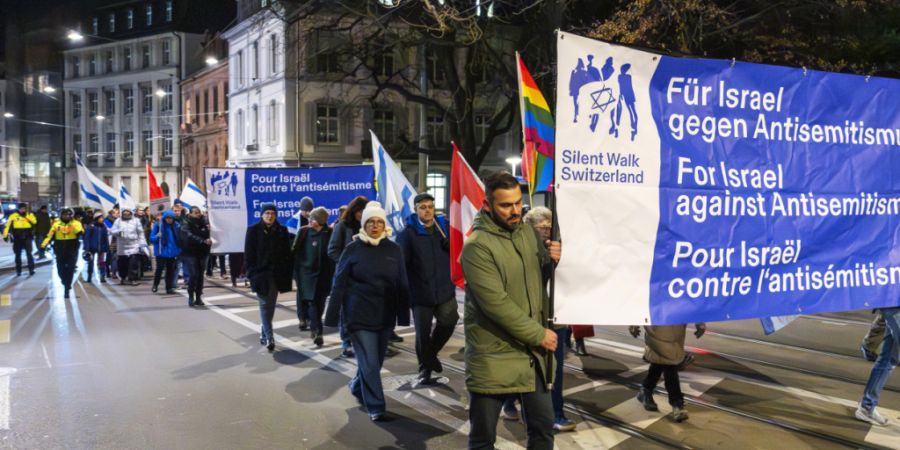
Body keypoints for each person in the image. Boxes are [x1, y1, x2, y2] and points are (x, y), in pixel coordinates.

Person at [460, 171, 561, 450]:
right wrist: (538, 334)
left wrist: (551, 260)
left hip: (531, 356)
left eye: (517, 203)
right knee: (483, 440)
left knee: (542, 431)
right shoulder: (477, 246)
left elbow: (536, 281)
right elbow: (496, 304)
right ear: (488, 205)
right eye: (506, 205)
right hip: (495, 355)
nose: (515, 211)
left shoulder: (527, 234)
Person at [324, 201, 410, 421]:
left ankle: (356, 385)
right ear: (363, 224)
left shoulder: (394, 249)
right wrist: (332, 316)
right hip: (358, 315)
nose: (374, 225)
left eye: (379, 222)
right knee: (370, 363)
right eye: (370, 221)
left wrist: (402, 316)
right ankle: (376, 406)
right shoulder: (352, 249)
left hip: (384, 316)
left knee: (375, 362)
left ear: (384, 225)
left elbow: (402, 283)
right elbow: (340, 283)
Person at [521, 206, 576, 432]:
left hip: (557, 318)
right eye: (542, 227)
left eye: (549, 227)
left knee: (555, 370)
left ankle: (557, 413)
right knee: (527, 370)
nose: (547, 231)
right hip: (533, 320)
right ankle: (513, 404)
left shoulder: (560, 247)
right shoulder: (525, 250)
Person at [397, 192, 457, 385]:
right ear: (415, 210)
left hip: (444, 289)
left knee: (449, 321)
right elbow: (401, 264)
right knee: (422, 334)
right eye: (422, 207)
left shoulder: (444, 228)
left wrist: (453, 247)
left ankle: (430, 355)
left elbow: (462, 251)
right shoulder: (408, 234)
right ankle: (425, 369)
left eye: (430, 206)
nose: (427, 210)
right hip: (421, 292)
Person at [630, 323, 706, 423]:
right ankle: (676, 404)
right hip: (658, 325)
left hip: (673, 327)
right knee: (669, 366)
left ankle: (646, 390)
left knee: (659, 364)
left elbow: (690, 307)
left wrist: (699, 322)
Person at [245, 203, 294, 351]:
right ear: (261, 214)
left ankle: (264, 331)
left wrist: (287, 273)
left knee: (270, 305)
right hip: (260, 275)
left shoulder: (282, 230)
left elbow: (287, 254)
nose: (270, 216)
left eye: (272, 213)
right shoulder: (253, 231)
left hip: (277, 276)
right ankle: (270, 336)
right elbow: (248, 255)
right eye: (267, 213)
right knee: (265, 305)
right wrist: (251, 274)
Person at [327, 195, 370, 358]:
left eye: (364, 211)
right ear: (354, 211)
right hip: (346, 275)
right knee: (346, 310)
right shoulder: (343, 226)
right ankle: (346, 342)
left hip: (365, 275)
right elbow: (332, 250)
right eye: (360, 211)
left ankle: (362, 339)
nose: (362, 214)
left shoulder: (369, 226)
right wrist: (347, 263)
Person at [291, 207, 334, 347]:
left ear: (321, 221)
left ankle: (315, 326)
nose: (310, 220)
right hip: (306, 275)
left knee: (320, 303)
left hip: (324, 275)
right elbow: (294, 251)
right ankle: (318, 331)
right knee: (312, 302)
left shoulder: (330, 233)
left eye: (313, 219)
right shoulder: (303, 231)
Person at [856, 307, 900, 426]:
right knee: (889, 359)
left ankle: (867, 406)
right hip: (894, 305)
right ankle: (867, 406)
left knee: (888, 359)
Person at [40, 208, 84, 299]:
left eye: (68, 215)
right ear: (61, 215)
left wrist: (73, 224)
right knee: (60, 269)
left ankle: (67, 287)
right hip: (59, 248)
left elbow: (81, 232)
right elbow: (49, 235)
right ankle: (64, 281)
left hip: (72, 248)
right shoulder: (56, 224)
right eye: (64, 215)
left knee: (71, 269)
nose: (66, 216)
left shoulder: (76, 223)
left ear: (71, 215)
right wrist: (43, 245)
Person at [180, 206, 213, 307]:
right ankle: (191, 296)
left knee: (200, 276)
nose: (198, 214)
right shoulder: (185, 223)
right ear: (190, 214)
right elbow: (188, 236)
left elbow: (211, 233)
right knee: (194, 274)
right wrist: (202, 241)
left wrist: (210, 229)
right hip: (190, 253)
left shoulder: (205, 222)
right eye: (195, 213)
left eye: (199, 212)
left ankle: (198, 297)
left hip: (203, 252)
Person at [294, 196, 316, 329]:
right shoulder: (293, 222)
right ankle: (302, 318)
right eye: (305, 210)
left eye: (309, 210)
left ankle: (310, 316)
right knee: (301, 291)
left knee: (312, 291)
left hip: (312, 262)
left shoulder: (315, 220)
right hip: (299, 263)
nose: (308, 213)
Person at [110, 208, 146, 286]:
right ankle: (123, 278)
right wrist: (118, 233)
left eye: (127, 212)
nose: (126, 214)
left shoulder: (136, 220)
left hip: (133, 246)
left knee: (133, 264)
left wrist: (142, 243)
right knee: (122, 264)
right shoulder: (118, 221)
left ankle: (133, 279)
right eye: (124, 212)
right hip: (122, 247)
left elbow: (140, 232)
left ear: (130, 212)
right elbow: (112, 231)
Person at [151, 210, 181, 295]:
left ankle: (169, 288)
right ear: (165, 218)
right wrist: (157, 236)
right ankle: (155, 285)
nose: (169, 220)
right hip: (161, 252)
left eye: (171, 218)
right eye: (168, 218)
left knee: (170, 271)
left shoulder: (176, 225)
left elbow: (179, 238)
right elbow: (152, 239)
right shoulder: (158, 226)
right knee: (159, 269)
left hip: (172, 252)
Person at [3, 203, 37, 276]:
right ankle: (18, 271)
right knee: (17, 255)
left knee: (29, 254)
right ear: (18, 209)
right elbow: (7, 226)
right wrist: (5, 235)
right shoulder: (13, 216)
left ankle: (31, 269)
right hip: (17, 237)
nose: (23, 210)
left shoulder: (29, 215)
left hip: (27, 236)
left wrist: (26, 216)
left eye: (24, 208)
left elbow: (34, 221)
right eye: (21, 208)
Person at [82, 212, 110, 283]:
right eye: (101, 218)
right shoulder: (91, 226)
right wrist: (87, 248)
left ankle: (102, 276)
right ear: (97, 218)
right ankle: (89, 276)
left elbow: (105, 238)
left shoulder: (103, 227)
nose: (102, 219)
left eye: (102, 217)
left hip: (102, 248)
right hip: (92, 248)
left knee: (102, 262)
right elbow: (87, 238)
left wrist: (106, 247)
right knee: (90, 263)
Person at [104, 208, 120, 280]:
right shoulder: (106, 221)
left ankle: (113, 273)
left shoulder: (118, 220)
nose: (118, 214)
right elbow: (111, 230)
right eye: (116, 213)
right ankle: (107, 271)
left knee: (114, 257)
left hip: (116, 241)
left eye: (118, 213)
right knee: (108, 257)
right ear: (112, 214)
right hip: (109, 241)